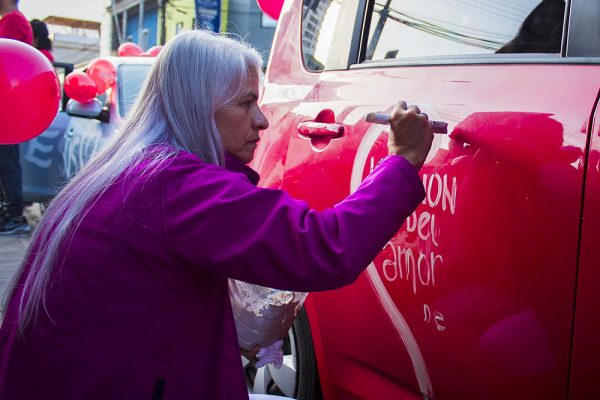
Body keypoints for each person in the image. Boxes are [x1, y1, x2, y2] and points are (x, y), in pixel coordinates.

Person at [0, 31, 433, 399]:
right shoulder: (178, 186)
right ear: (199, 106)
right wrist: (402, 160)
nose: (262, 121)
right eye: (246, 104)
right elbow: (325, 245)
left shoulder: (133, 169)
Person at [0, 0, 33, 235]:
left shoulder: (14, 21)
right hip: (7, 100)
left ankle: (14, 215)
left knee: (6, 159)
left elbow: (7, 61)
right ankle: (9, 213)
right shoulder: (12, 21)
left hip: (7, 103)